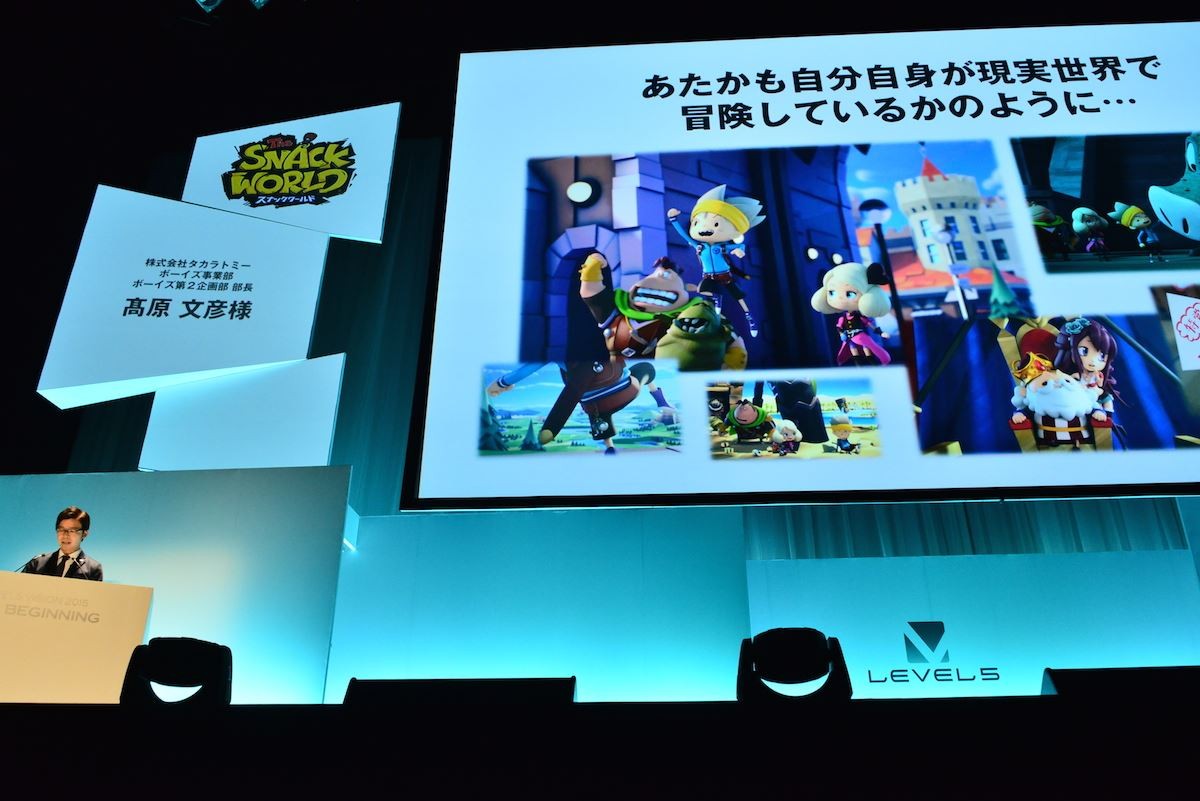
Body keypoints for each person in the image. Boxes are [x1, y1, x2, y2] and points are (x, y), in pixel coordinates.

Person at [21, 506, 104, 581]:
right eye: (61, 530)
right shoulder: (37, 563)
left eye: (72, 531)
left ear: (84, 534)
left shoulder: (93, 569)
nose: (65, 535)